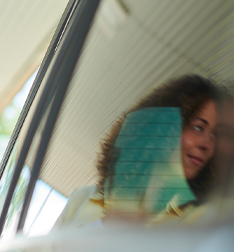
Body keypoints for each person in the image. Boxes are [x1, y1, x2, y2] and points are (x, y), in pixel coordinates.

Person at [55, 74, 224, 228]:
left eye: (215, 135)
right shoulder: (83, 198)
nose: (207, 144)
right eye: (198, 127)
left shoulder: (201, 219)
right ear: (162, 126)